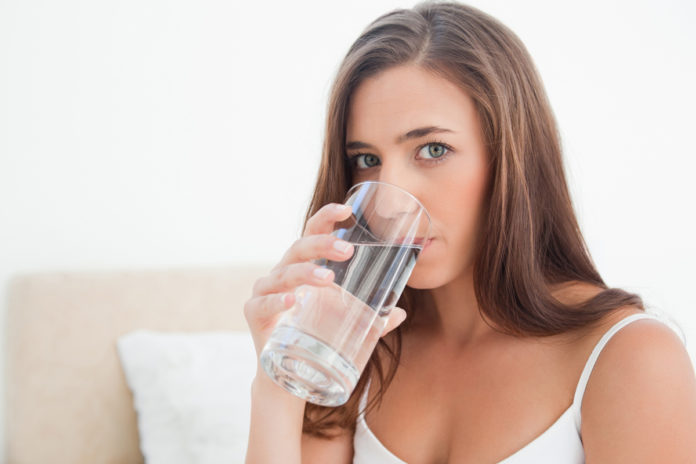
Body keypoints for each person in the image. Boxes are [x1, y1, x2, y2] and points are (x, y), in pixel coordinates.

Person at [244, 2, 696, 462]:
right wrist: (278, 382)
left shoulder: (627, 357)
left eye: (433, 149)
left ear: (510, 159)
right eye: (366, 159)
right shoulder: (361, 352)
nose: (391, 194)